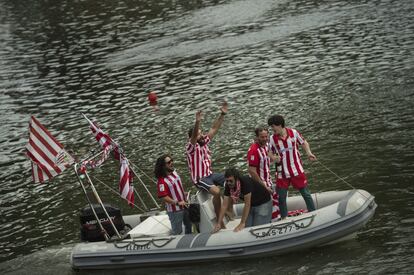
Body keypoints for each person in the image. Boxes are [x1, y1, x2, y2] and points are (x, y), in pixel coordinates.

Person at [186, 101, 232, 223]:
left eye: (202, 134)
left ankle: (228, 209)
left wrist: (222, 114)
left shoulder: (204, 141)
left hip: (210, 174)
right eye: (199, 134)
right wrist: (197, 121)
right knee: (216, 191)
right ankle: (219, 219)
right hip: (200, 178)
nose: (202, 136)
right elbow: (194, 137)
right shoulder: (191, 147)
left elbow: (214, 128)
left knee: (232, 180)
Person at [267, 115, 316, 219]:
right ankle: (284, 218)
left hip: (296, 170)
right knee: (282, 198)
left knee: (306, 194)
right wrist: (274, 158)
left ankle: (313, 213)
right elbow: (269, 153)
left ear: (280, 125)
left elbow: (304, 143)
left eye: (273, 126)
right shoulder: (272, 138)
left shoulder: (293, 133)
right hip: (282, 173)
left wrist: (309, 153)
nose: (272, 129)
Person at [212, 167, 272, 233]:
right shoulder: (228, 186)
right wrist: (219, 223)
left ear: (237, 179)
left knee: (257, 229)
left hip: (263, 203)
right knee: (247, 229)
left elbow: (247, 204)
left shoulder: (245, 182)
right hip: (252, 205)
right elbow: (224, 205)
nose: (228, 183)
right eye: (227, 181)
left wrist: (242, 223)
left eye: (231, 181)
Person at [247, 126, 280, 220]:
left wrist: (276, 158)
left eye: (266, 136)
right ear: (257, 137)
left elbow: (269, 159)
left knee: (278, 197)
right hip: (259, 184)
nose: (265, 139)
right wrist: (265, 187)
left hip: (268, 181)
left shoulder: (267, 146)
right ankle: (272, 221)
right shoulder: (254, 150)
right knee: (270, 202)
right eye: (262, 137)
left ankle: (275, 219)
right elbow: (252, 172)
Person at [155, 154, 192, 235]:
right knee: (177, 232)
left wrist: (183, 193)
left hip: (185, 206)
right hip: (175, 211)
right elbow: (164, 197)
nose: (171, 163)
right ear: (163, 166)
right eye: (168, 162)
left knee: (189, 226)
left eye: (172, 160)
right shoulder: (161, 181)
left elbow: (176, 187)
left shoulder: (174, 172)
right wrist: (177, 202)